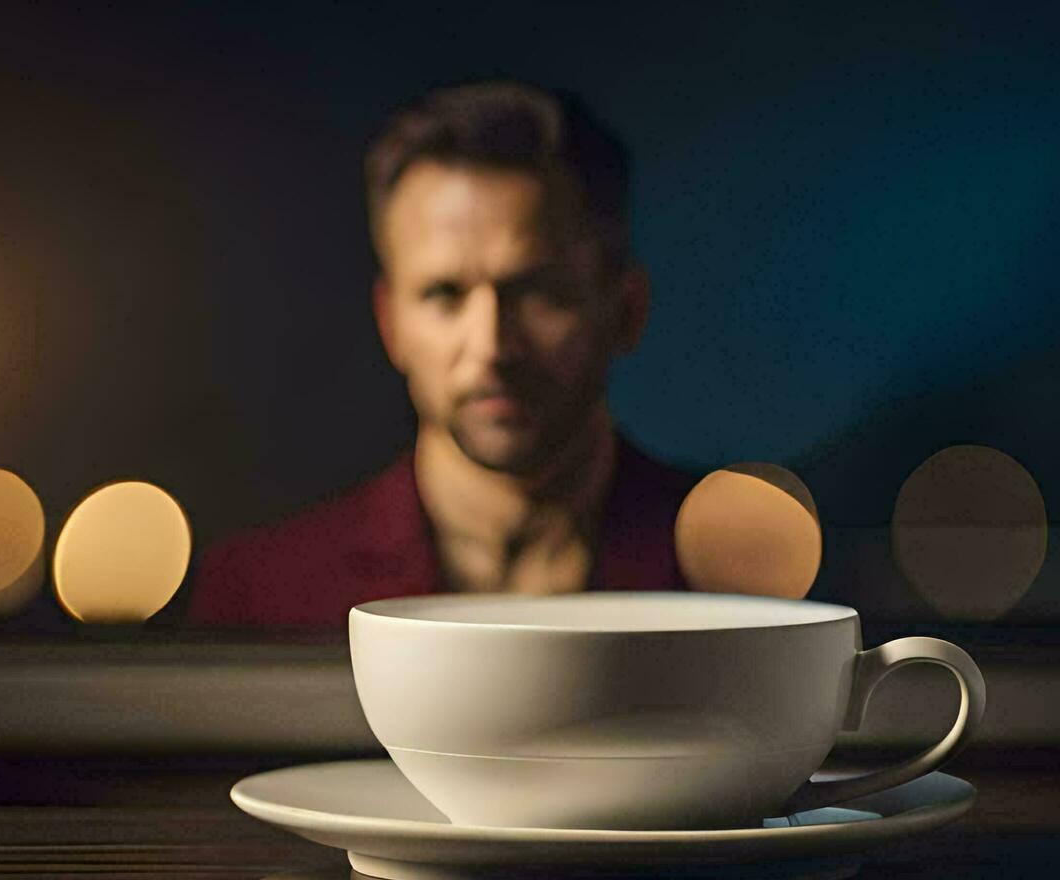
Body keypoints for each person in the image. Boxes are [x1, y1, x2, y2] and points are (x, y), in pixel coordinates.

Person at [188, 80, 699, 628]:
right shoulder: (259, 598)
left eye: (539, 292)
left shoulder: (737, 576)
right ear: (390, 323)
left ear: (627, 310)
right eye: (444, 295)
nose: (492, 348)